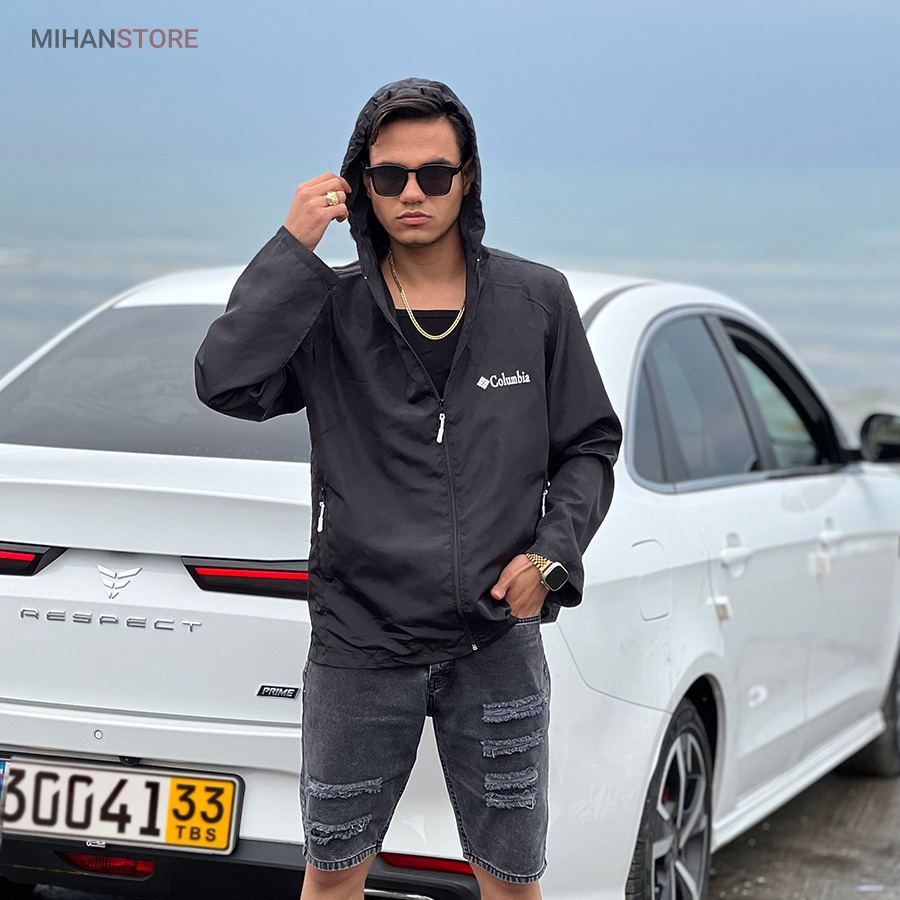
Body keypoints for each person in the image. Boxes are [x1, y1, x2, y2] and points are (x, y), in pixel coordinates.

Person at [194, 77, 622, 898]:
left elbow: (589, 444)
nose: (413, 193)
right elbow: (225, 383)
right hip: (360, 646)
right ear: (362, 183)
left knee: (512, 882)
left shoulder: (535, 300)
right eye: (390, 176)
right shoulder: (330, 307)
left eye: (435, 173)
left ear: (468, 178)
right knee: (332, 880)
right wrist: (292, 248)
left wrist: (551, 557)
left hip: (495, 643)